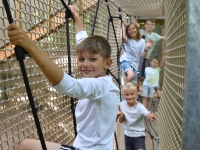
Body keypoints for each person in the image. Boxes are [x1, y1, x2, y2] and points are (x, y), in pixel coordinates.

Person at [7, 5, 119, 150]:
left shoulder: (101, 85)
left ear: (107, 63)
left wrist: (31, 46)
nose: (85, 64)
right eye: (81, 59)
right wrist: (77, 19)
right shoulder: (105, 80)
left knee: (25, 146)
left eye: (92, 60)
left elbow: (70, 86)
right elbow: (83, 44)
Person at [117, 82, 157, 150]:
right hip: (128, 135)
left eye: (132, 94)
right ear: (123, 95)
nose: (130, 97)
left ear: (136, 94)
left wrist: (151, 116)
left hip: (139, 135)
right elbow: (121, 121)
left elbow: (146, 113)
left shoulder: (139, 107)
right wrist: (121, 115)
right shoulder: (122, 105)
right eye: (127, 94)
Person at [137, 19, 166, 93]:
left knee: (143, 72)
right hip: (138, 55)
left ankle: (145, 86)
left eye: (152, 24)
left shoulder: (155, 35)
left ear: (154, 26)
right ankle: (137, 86)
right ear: (145, 25)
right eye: (148, 24)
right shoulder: (141, 32)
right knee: (138, 71)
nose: (150, 26)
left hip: (146, 57)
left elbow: (164, 38)